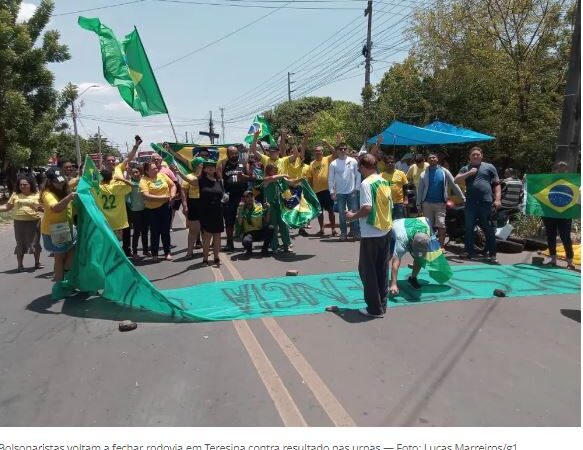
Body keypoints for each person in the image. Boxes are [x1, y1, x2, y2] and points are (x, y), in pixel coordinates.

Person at [346, 154, 392, 318]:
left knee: (368, 271)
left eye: (359, 167)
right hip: (385, 231)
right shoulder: (384, 181)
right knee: (381, 270)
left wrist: (352, 216)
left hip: (371, 233)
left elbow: (367, 208)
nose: (358, 170)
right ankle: (382, 305)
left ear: (364, 167)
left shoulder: (366, 183)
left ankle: (374, 308)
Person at [455, 146, 501, 263]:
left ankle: (492, 254)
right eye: (473, 154)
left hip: (486, 202)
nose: (475, 156)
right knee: (469, 228)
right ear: (469, 157)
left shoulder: (489, 167)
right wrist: (470, 173)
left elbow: (497, 184)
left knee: (487, 227)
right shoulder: (466, 168)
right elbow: (456, 180)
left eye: (478, 154)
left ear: (482, 156)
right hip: (470, 203)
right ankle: (468, 252)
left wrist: (498, 199)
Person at [417, 152, 465, 247]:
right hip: (427, 203)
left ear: (437, 159)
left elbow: (454, 184)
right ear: (427, 160)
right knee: (428, 226)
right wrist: (418, 204)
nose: (432, 159)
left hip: (441, 203)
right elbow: (420, 190)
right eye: (430, 158)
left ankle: (441, 246)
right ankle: (430, 246)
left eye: (434, 157)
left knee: (441, 225)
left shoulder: (444, 171)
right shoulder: (423, 174)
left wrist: (463, 197)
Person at [40, 168, 77, 282]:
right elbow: (56, 208)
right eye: (57, 183)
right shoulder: (47, 194)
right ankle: (59, 284)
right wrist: (70, 197)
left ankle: (65, 274)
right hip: (56, 229)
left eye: (62, 181)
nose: (60, 185)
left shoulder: (65, 188)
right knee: (59, 259)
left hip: (66, 227)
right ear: (50, 182)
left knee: (74, 248)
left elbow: (78, 180)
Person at [0, 175, 43, 271]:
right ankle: (20, 265)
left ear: (30, 185)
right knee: (20, 243)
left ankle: (37, 263)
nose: (22, 186)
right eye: (21, 185)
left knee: (35, 243)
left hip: (34, 222)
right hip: (19, 222)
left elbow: (44, 209)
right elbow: (7, 207)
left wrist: (41, 209)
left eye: (25, 184)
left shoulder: (37, 195)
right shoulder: (15, 195)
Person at [542, 161, 575, 269]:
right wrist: (526, 181)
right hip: (549, 213)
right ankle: (553, 259)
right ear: (554, 170)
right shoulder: (546, 181)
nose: (562, 171)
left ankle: (570, 261)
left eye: (564, 169)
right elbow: (537, 191)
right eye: (560, 169)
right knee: (551, 236)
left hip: (564, 214)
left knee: (565, 237)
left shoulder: (572, 181)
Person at [140, 162, 176, 262]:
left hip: (165, 207)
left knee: (165, 231)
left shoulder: (162, 175)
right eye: (153, 169)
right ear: (147, 171)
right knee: (155, 232)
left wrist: (172, 195)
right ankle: (154, 253)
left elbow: (173, 185)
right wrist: (163, 198)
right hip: (152, 210)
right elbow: (145, 195)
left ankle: (167, 252)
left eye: (156, 168)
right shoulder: (144, 180)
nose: (156, 170)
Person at [388, 217, 432, 295]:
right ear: (411, 244)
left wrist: (418, 258)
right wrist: (394, 284)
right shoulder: (401, 238)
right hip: (394, 228)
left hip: (414, 226)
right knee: (389, 256)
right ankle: (382, 277)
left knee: (419, 257)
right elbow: (396, 263)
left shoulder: (427, 232)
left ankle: (413, 278)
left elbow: (426, 219)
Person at [219, 146, 250, 252]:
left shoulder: (244, 163)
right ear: (227, 154)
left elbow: (250, 177)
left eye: (236, 153)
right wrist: (223, 193)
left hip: (242, 196)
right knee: (229, 221)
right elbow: (219, 180)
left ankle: (247, 243)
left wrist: (244, 177)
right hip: (229, 197)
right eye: (232, 153)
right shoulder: (223, 164)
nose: (234, 155)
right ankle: (229, 243)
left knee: (245, 219)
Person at [328, 142, 360, 241]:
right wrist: (332, 192)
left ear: (347, 150)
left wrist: (357, 188)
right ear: (337, 151)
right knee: (342, 214)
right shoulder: (333, 163)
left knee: (354, 213)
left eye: (344, 149)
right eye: (341, 149)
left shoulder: (353, 161)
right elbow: (330, 178)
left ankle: (356, 232)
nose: (343, 150)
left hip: (352, 192)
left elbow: (358, 175)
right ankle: (343, 233)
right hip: (340, 193)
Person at [306, 140, 337, 236]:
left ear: (322, 152)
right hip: (316, 191)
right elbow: (310, 178)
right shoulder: (312, 163)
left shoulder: (327, 159)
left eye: (319, 151)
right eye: (316, 151)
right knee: (320, 212)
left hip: (327, 190)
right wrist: (310, 190)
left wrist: (327, 143)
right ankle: (322, 229)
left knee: (331, 210)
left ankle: (333, 229)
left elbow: (335, 152)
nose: (318, 152)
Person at [198, 160, 225, 266]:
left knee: (217, 236)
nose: (210, 168)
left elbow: (222, 193)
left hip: (218, 211)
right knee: (207, 236)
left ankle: (216, 257)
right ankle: (205, 258)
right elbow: (191, 180)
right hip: (206, 212)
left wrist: (225, 197)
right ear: (204, 169)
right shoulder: (201, 180)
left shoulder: (219, 180)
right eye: (208, 167)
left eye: (212, 167)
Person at [94, 168, 132, 239]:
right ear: (111, 178)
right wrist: (121, 179)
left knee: (107, 244)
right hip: (118, 222)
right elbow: (131, 185)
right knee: (117, 244)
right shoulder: (117, 187)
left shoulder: (97, 188)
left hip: (104, 221)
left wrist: (97, 176)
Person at [122, 166, 149, 258]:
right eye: (133, 173)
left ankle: (146, 250)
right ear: (131, 175)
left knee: (145, 231)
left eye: (137, 172)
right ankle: (134, 251)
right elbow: (126, 198)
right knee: (137, 232)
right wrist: (131, 206)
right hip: (135, 211)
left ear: (140, 172)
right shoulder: (130, 184)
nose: (135, 174)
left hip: (145, 210)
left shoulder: (144, 182)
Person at [237, 190, 274, 256]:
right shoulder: (241, 208)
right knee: (246, 241)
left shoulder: (259, 206)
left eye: (251, 196)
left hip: (259, 231)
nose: (250, 199)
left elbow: (266, 221)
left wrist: (268, 209)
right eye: (247, 197)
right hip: (248, 233)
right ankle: (249, 250)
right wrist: (241, 210)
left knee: (270, 228)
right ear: (244, 199)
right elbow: (240, 223)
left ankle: (264, 249)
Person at [177, 164, 202, 259]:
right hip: (194, 202)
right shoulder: (189, 176)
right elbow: (184, 191)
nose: (203, 166)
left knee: (206, 229)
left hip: (206, 204)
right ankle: (189, 252)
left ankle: (205, 250)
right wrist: (184, 205)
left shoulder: (209, 176)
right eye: (200, 164)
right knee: (193, 229)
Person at [381, 155, 408, 220]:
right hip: (387, 203)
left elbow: (405, 187)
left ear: (395, 163)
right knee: (388, 221)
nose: (390, 163)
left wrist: (406, 199)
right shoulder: (381, 176)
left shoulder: (401, 173)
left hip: (399, 203)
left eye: (392, 162)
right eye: (388, 162)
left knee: (399, 221)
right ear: (385, 164)